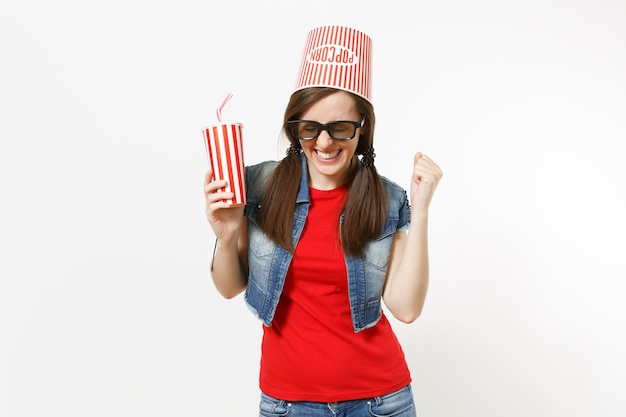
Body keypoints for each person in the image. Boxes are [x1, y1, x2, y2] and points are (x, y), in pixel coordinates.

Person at [203, 25, 442, 417]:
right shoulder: (258, 188)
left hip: (380, 402)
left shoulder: (388, 199)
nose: (325, 143)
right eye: (311, 128)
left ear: (362, 130)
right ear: (295, 128)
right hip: (287, 404)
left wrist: (422, 208)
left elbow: (406, 309)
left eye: (341, 128)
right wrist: (227, 235)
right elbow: (229, 288)